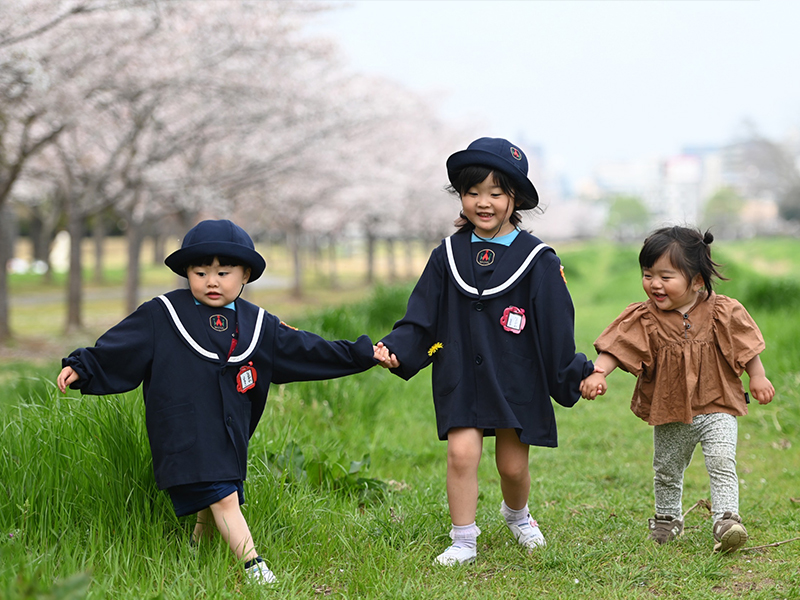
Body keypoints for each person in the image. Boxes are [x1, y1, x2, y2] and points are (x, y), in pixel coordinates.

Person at [57, 219, 384, 584]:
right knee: (222, 494)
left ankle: (197, 552)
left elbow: (308, 349)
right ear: (186, 273)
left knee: (215, 493)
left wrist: (362, 354)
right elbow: (120, 348)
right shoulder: (162, 314)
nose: (211, 281)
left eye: (224, 272)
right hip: (182, 425)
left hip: (230, 427)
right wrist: (82, 367)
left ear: (245, 275)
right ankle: (253, 565)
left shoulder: (259, 324)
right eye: (200, 272)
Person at [376, 137, 595, 566]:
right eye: (473, 192)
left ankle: (517, 515)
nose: (484, 202)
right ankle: (463, 539)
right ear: (460, 196)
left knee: (512, 467)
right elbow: (422, 315)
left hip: (516, 376)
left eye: (496, 193)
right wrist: (399, 348)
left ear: (515, 198)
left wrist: (576, 373)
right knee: (460, 454)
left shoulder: (538, 259)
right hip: (460, 371)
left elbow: (555, 327)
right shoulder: (447, 255)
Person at [580, 226, 776, 553]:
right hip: (670, 409)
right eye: (648, 274)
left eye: (665, 276)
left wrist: (758, 376)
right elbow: (618, 346)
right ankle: (668, 519)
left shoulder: (722, 311)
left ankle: (727, 518)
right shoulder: (645, 317)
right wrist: (599, 372)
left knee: (722, 459)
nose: (654, 284)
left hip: (718, 403)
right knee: (668, 469)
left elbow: (747, 348)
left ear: (697, 280)